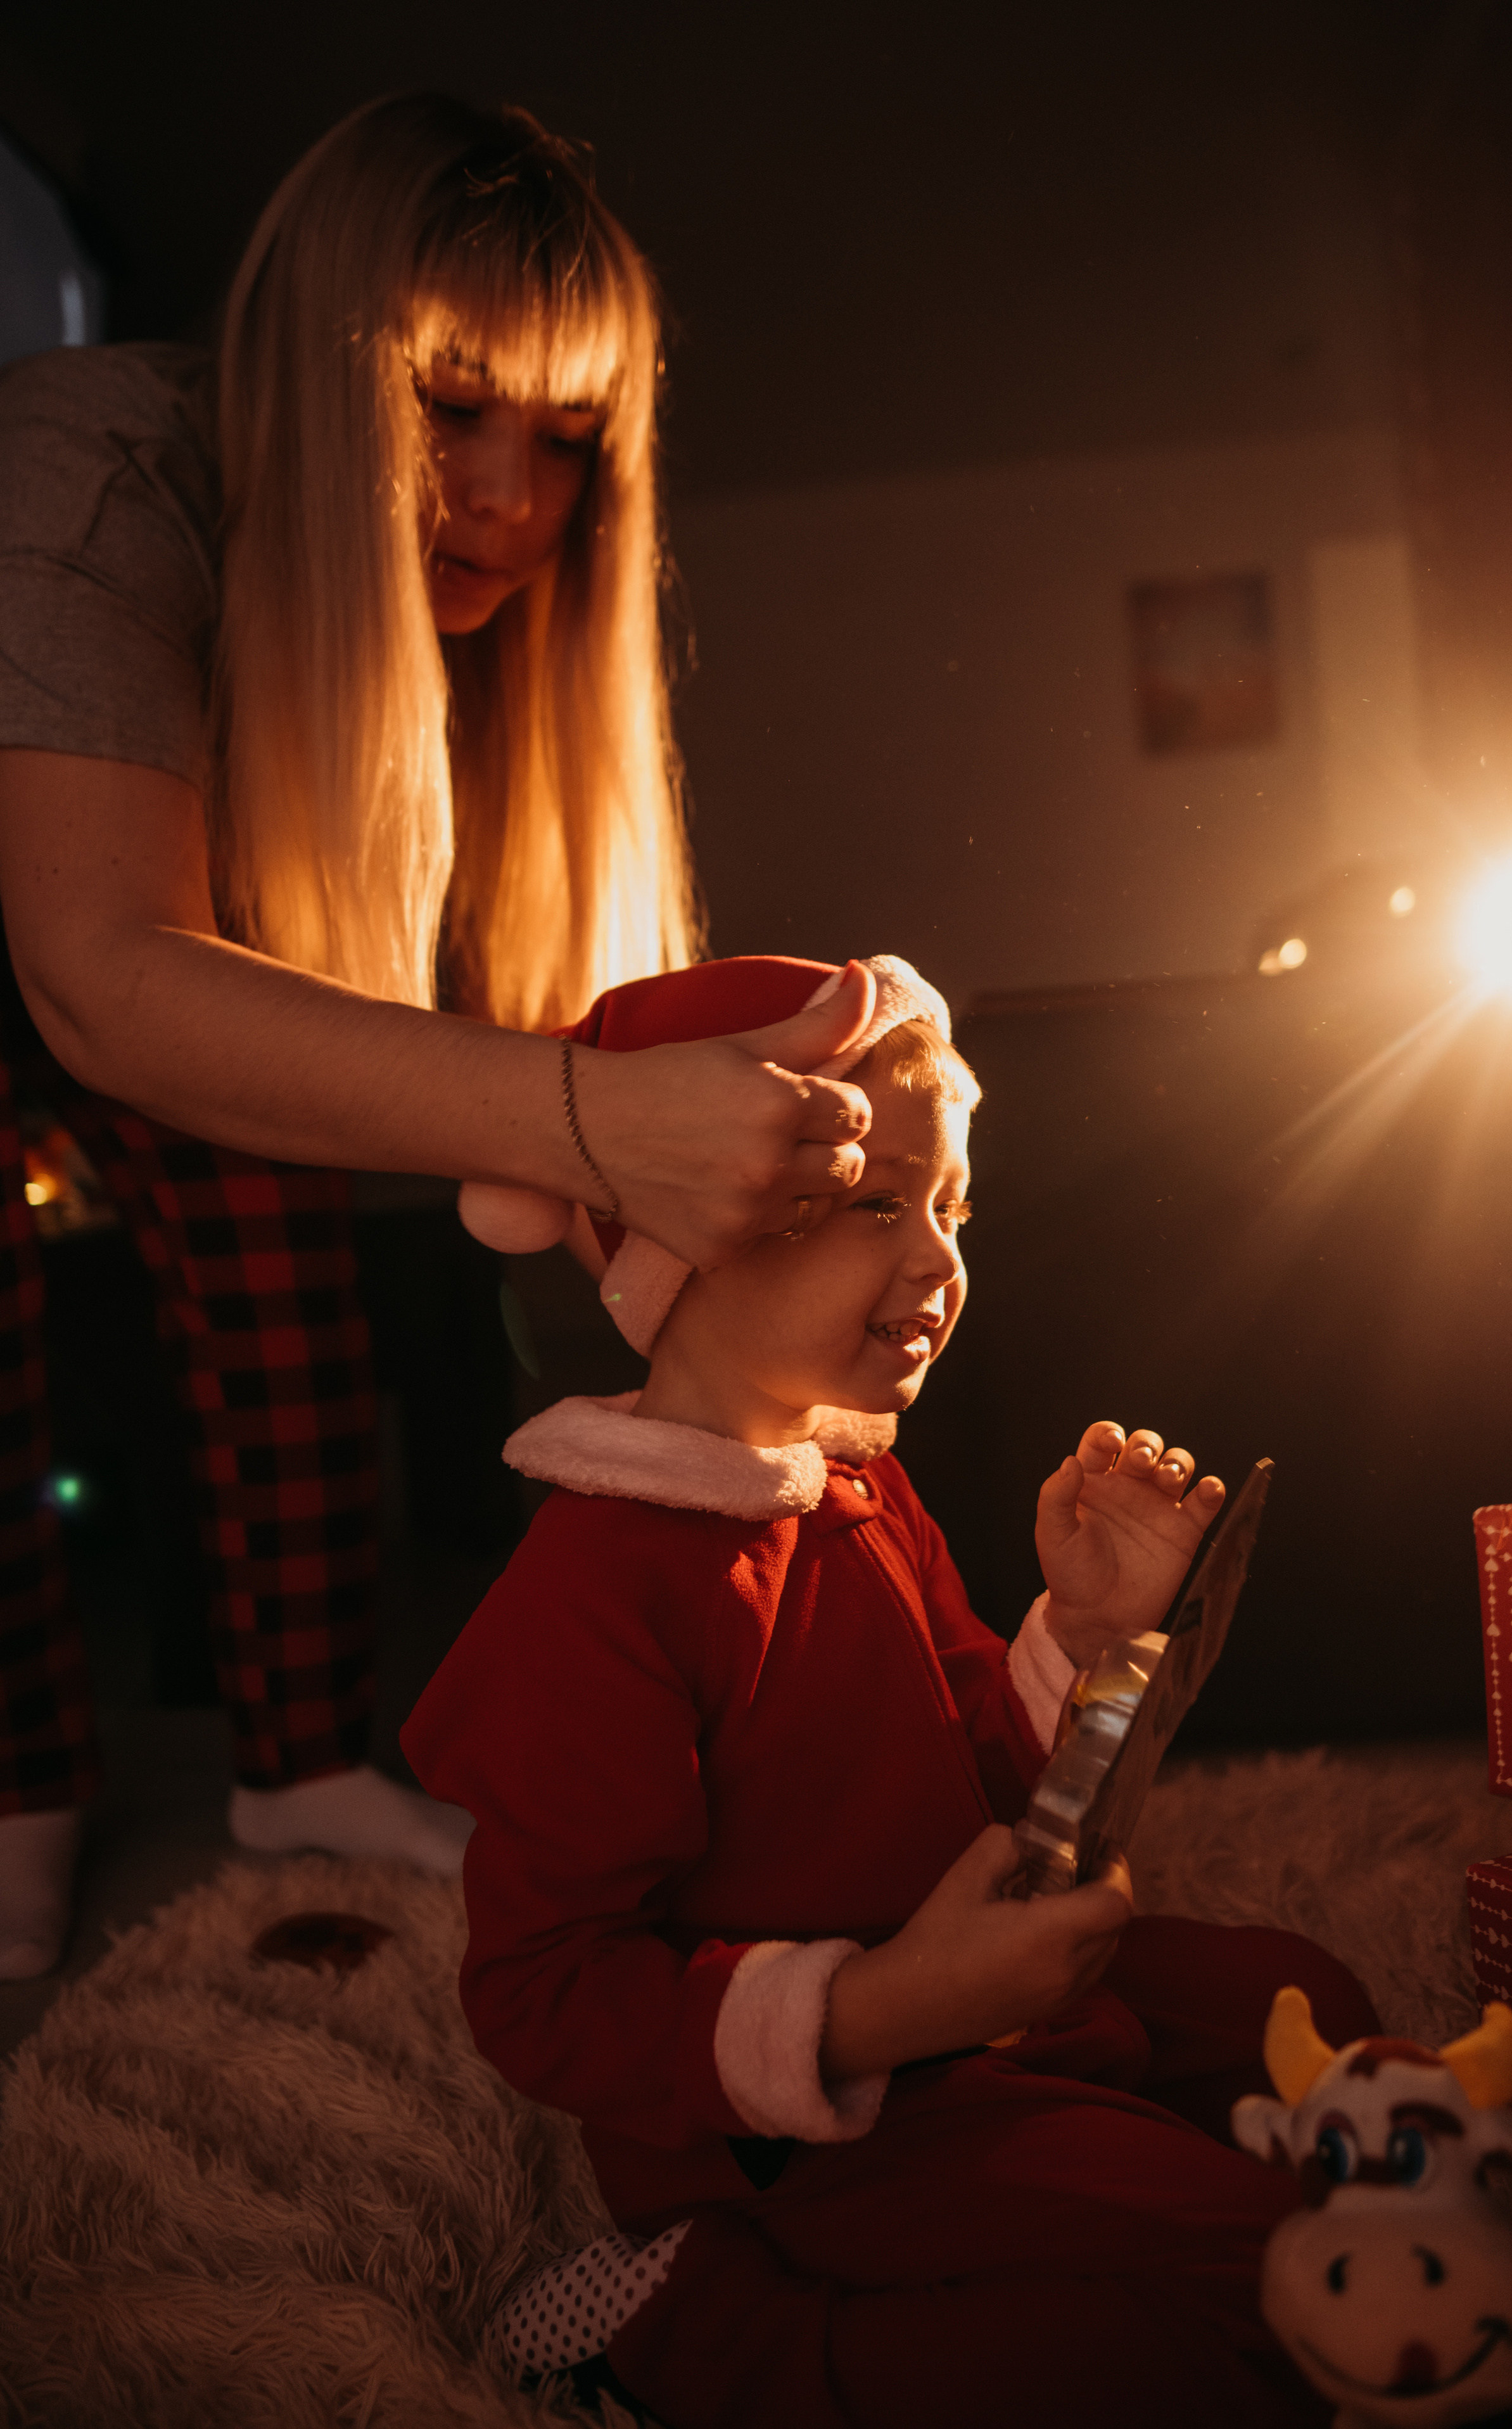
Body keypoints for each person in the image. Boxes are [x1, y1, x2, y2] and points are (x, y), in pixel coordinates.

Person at [0, 96, 879, 1981]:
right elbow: (91, 972)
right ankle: (17, 1782)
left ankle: (302, 1759)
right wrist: (584, 1117)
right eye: (449, 409)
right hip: (64, 928)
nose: (511, 498)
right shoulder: (86, 477)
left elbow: (353, 1050)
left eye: (568, 443)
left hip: (151, 951)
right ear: (322, 383)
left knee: (279, 1286)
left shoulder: (433, 631)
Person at [402, 952, 1379, 2429]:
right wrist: (872, 2009)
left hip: (965, 2014)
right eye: (877, 1204)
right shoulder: (593, 1595)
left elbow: (1005, 1788)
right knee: (1275, 2292)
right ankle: (702, 2328)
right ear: (679, 1229)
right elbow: (542, 1998)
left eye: (950, 1210)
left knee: (1317, 2015)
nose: (935, 1261)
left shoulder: (854, 1485)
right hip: (800, 2119)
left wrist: (1092, 1637)